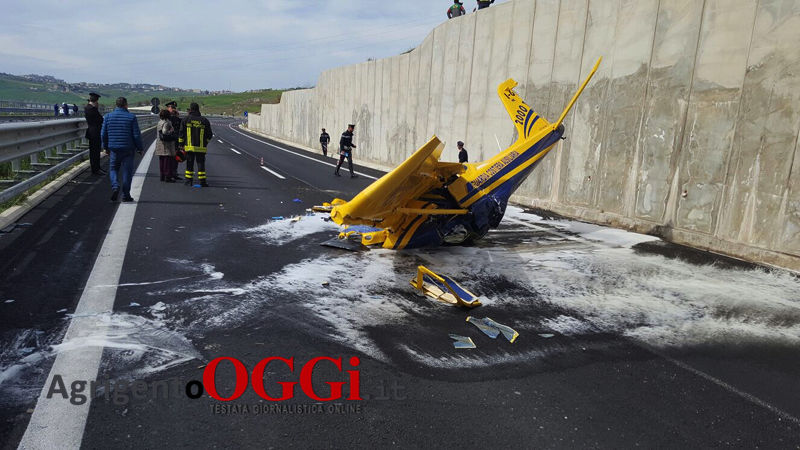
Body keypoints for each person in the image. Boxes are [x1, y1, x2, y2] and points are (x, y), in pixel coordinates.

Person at [101, 97, 143, 202]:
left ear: (116, 105)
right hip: (128, 149)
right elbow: (136, 135)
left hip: (114, 149)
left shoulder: (108, 116)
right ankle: (126, 195)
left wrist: (105, 147)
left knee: (113, 169)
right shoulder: (131, 117)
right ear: (126, 105)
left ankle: (115, 186)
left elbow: (103, 134)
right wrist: (140, 148)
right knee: (127, 172)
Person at [179, 102, 213, 187]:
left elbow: (181, 133)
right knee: (201, 165)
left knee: (189, 164)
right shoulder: (204, 120)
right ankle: (202, 182)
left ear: (190, 109)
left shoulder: (186, 119)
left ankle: (188, 181)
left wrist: (181, 144)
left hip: (189, 147)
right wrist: (205, 143)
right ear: (198, 109)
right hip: (201, 148)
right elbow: (210, 135)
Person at [84, 92, 105, 175]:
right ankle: (96, 169)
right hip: (95, 133)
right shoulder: (92, 109)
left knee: (94, 152)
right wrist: (96, 108)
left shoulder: (88, 108)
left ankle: (97, 168)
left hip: (92, 132)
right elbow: (100, 119)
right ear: (96, 101)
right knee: (95, 152)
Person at [156, 109, 177, 182]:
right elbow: (164, 132)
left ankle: (162, 176)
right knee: (167, 161)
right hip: (166, 144)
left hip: (160, 143)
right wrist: (171, 131)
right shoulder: (166, 122)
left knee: (162, 160)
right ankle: (168, 177)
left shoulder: (159, 122)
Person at [165, 101, 182, 180]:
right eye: (172, 108)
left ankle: (174, 173)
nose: (173, 109)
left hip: (175, 140)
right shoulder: (167, 119)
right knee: (169, 158)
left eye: (174, 108)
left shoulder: (177, 119)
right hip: (169, 140)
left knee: (175, 157)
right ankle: (169, 174)